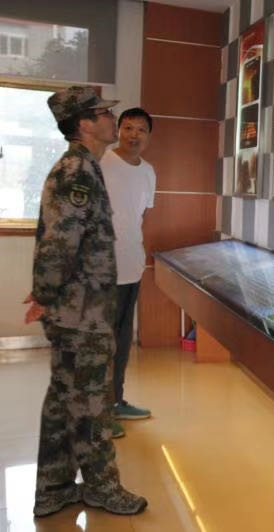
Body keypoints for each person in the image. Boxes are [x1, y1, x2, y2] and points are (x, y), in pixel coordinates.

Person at [25, 86, 147, 517]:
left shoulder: (83, 168)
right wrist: (45, 295)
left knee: (64, 399)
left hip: (78, 307)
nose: (113, 119)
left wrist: (47, 294)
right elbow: (60, 245)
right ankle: (102, 487)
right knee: (92, 403)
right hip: (81, 313)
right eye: (104, 113)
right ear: (84, 124)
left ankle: (54, 488)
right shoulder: (77, 171)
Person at [100, 108, 157, 439]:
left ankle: (115, 401)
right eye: (128, 128)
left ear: (149, 136)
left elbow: (141, 217)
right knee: (101, 343)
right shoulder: (102, 163)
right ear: (118, 130)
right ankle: (98, 413)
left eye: (141, 130)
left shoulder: (148, 172)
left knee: (122, 341)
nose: (134, 135)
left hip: (132, 266)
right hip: (102, 270)